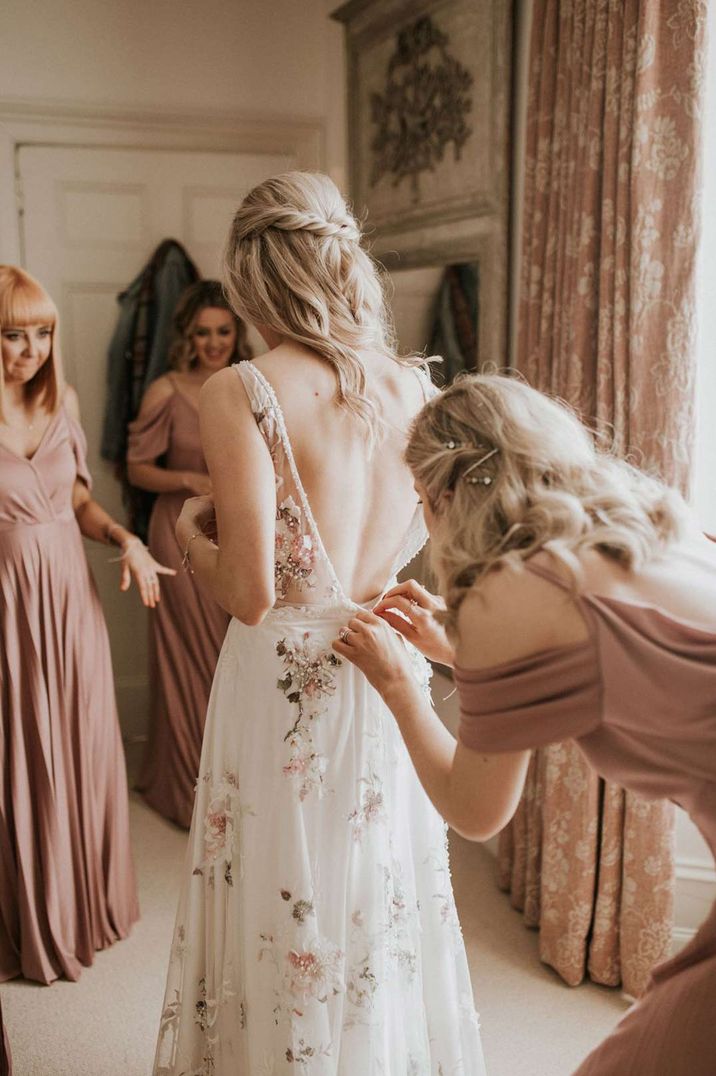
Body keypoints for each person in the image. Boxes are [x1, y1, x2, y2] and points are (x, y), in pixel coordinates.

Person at [153, 173, 485, 1074]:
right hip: (380, 667)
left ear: (255, 276)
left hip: (283, 679)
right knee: (377, 900)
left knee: (281, 892)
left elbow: (253, 594)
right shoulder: (415, 388)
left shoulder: (243, 390)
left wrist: (189, 536)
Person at [335, 372, 716, 1076]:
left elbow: (476, 810)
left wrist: (397, 684)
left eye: (421, 504)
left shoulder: (509, 592)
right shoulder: (648, 515)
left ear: (446, 497)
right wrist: (462, 652)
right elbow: (611, 661)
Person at [0, 266, 174, 985]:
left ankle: (84, 904)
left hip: (70, 598)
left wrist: (127, 538)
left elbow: (76, 504)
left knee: (79, 741)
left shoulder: (61, 401)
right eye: (12, 335)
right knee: (18, 752)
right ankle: (29, 915)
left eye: (41, 334)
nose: (29, 351)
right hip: (8, 603)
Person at [127, 281, 250, 827]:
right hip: (175, 531)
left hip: (236, 530)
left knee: (233, 656)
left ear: (236, 331)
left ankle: (236, 791)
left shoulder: (251, 384)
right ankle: (187, 794)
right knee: (187, 660)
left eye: (223, 331)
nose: (214, 342)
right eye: (203, 333)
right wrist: (188, 476)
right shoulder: (166, 389)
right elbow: (135, 469)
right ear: (187, 336)